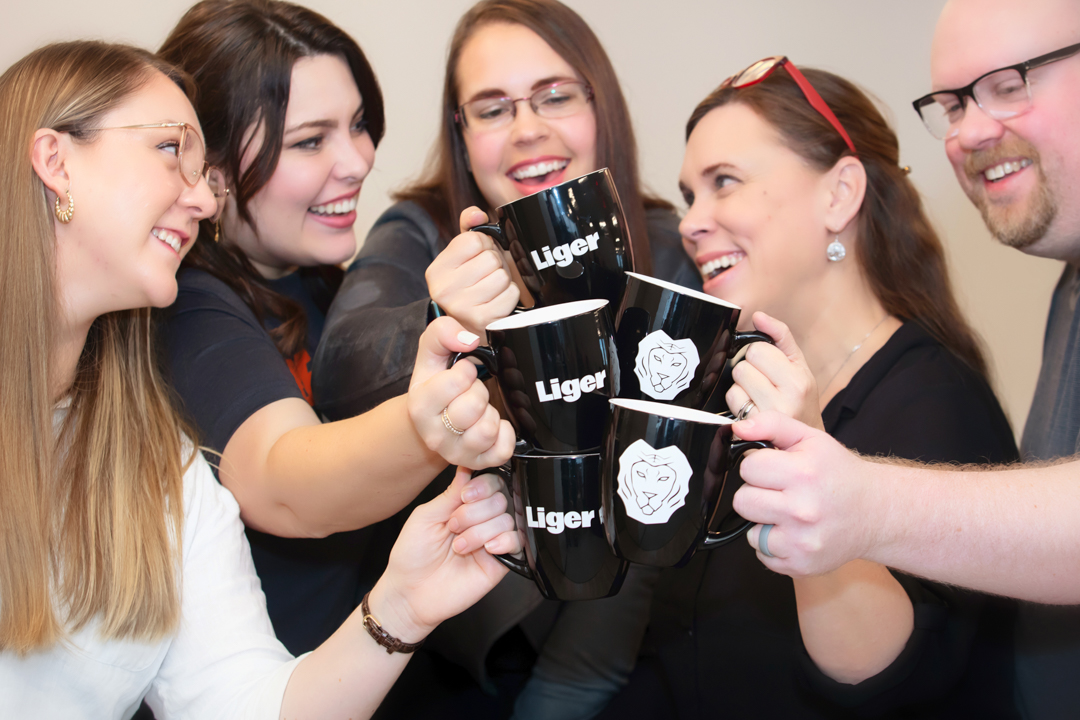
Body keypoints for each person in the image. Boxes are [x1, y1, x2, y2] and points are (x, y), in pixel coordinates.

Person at [0, 39, 520, 719]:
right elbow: (284, 478)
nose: (202, 201)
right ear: (55, 161)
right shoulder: (205, 318)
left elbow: (248, 703)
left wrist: (401, 605)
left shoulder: (158, 466)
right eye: (169, 151)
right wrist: (427, 423)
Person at [310, 1, 697, 717]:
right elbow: (339, 371)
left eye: (555, 95)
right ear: (461, 134)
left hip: (619, 650)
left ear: (600, 104)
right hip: (448, 651)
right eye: (491, 109)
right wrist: (445, 316)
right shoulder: (423, 228)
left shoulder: (668, 248)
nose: (527, 130)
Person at [608, 59, 1019, 718]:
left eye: (725, 183)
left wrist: (809, 473)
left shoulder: (937, 406)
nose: (691, 221)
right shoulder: (729, 392)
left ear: (839, 195)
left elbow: (892, 684)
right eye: (691, 195)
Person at [721, 1, 1080, 717]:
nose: (970, 131)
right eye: (951, 104)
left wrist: (864, 504)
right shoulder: (1069, 289)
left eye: (1010, 84)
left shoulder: (931, 394)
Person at [153, 0, 513, 658]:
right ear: (215, 171)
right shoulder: (186, 306)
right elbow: (287, 486)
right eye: (310, 141)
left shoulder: (325, 284)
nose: (358, 160)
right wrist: (433, 421)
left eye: (357, 126)